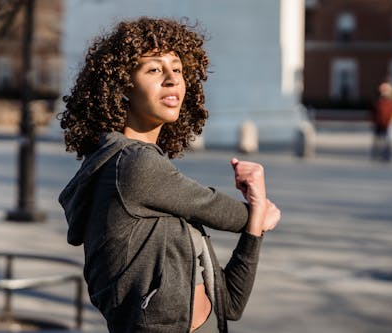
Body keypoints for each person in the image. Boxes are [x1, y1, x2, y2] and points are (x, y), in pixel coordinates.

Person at [58, 17, 281, 333]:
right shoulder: (133, 164)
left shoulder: (159, 197)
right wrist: (258, 213)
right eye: (154, 70)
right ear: (122, 87)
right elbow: (220, 210)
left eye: (176, 69)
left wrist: (255, 227)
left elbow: (230, 304)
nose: (171, 79)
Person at [371, 81, 392, 161]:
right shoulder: (378, 101)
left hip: (386, 124)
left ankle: (386, 156)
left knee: (386, 140)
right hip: (379, 123)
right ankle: (377, 155)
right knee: (378, 140)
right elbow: (373, 112)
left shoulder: (391, 102)